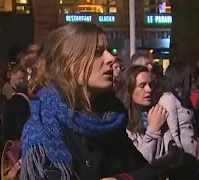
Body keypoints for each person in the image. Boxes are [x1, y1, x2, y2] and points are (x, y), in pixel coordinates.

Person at [20, 23, 157, 180]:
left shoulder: (111, 117)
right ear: (68, 63)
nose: (111, 58)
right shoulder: (43, 128)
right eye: (98, 52)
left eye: (108, 50)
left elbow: (147, 173)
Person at [116, 65, 167, 163]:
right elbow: (140, 162)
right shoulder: (122, 122)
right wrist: (152, 131)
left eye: (150, 85)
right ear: (129, 90)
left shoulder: (155, 113)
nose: (149, 90)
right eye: (142, 86)